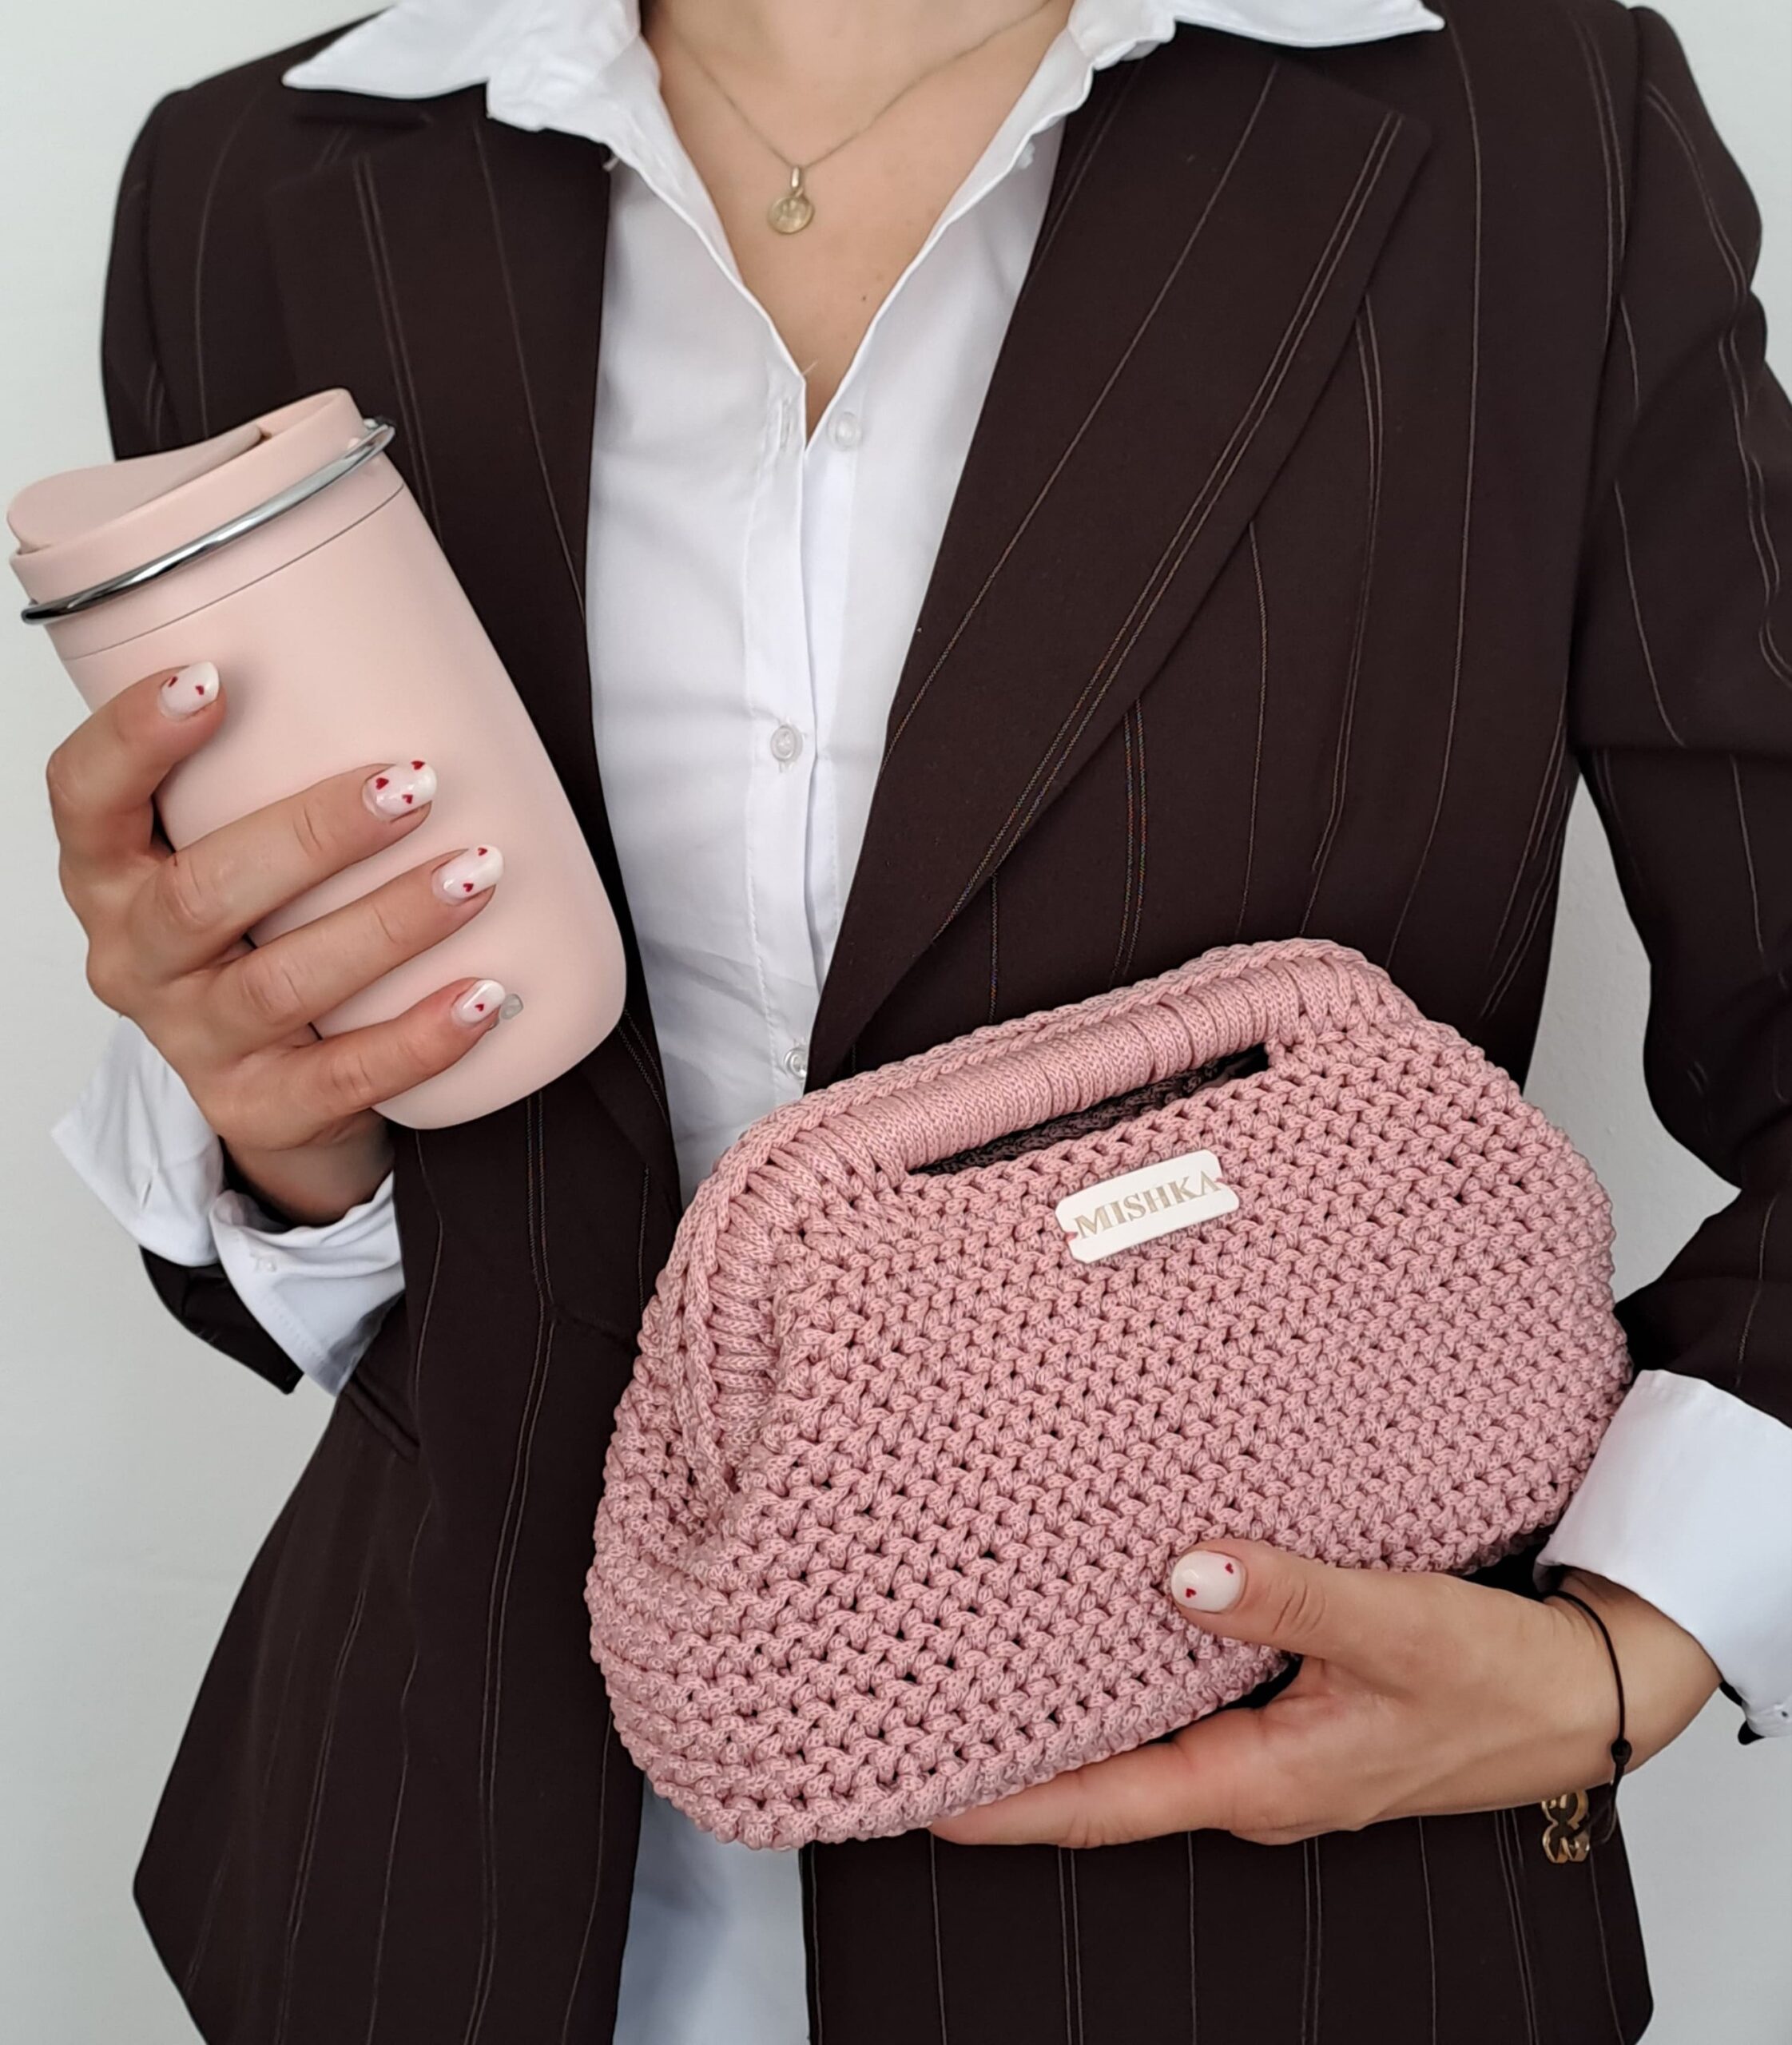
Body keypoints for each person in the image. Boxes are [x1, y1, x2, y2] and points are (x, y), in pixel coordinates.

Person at [39, 0, 1792, 2039]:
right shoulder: (252, 182)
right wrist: (286, 1126)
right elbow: (360, 1185)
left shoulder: (1536, 127)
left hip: (1262, 1896)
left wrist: (1641, 1634)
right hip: (454, 1880)